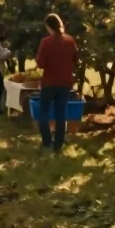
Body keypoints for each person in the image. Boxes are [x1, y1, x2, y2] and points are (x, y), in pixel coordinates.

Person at [34, 14, 80, 152]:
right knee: (61, 113)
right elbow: (76, 59)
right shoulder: (70, 40)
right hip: (65, 82)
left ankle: (47, 141)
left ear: (49, 26)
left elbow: (41, 64)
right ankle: (58, 144)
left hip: (49, 82)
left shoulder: (46, 42)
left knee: (44, 112)